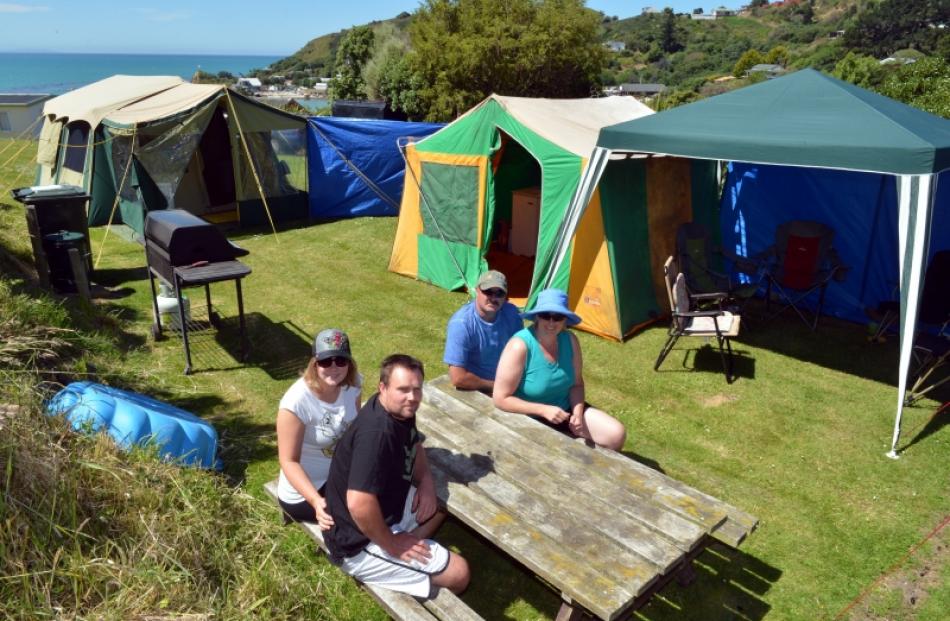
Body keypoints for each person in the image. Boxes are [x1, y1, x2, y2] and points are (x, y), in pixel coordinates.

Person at [323, 354, 470, 596]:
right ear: (383, 388)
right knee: (460, 573)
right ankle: (403, 559)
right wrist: (392, 544)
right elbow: (359, 504)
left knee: (442, 502)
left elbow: (414, 444)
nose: (412, 398)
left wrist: (425, 482)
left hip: (386, 506)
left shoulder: (399, 409)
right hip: (357, 541)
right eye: (403, 389)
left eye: (417, 389)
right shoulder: (376, 435)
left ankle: (408, 547)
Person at [493, 288, 627, 451]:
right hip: (529, 416)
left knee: (616, 434)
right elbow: (500, 398)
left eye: (557, 317)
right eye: (545, 315)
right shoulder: (519, 346)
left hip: (565, 410)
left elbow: (577, 384)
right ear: (537, 316)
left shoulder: (570, 340)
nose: (551, 322)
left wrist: (577, 414)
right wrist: (543, 410)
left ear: (565, 320)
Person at [276, 328, 361, 529]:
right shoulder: (295, 403)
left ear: (349, 362)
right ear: (314, 363)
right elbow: (288, 461)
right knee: (360, 518)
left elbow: (354, 428)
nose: (334, 367)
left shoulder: (353, 384)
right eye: (325, 361)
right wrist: (316, 501)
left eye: (340, 360)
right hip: (305, 492)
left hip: (338, 473)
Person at [443, 270, 523, 392]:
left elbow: (523, 352)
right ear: (477, 290)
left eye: (499, 293)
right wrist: (497, 386)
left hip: (509, 383)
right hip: (475, 388)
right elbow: (458, 378)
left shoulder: (512, 314)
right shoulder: (461, 324)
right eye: (488, 291)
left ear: (505, 296)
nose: (493, 298)